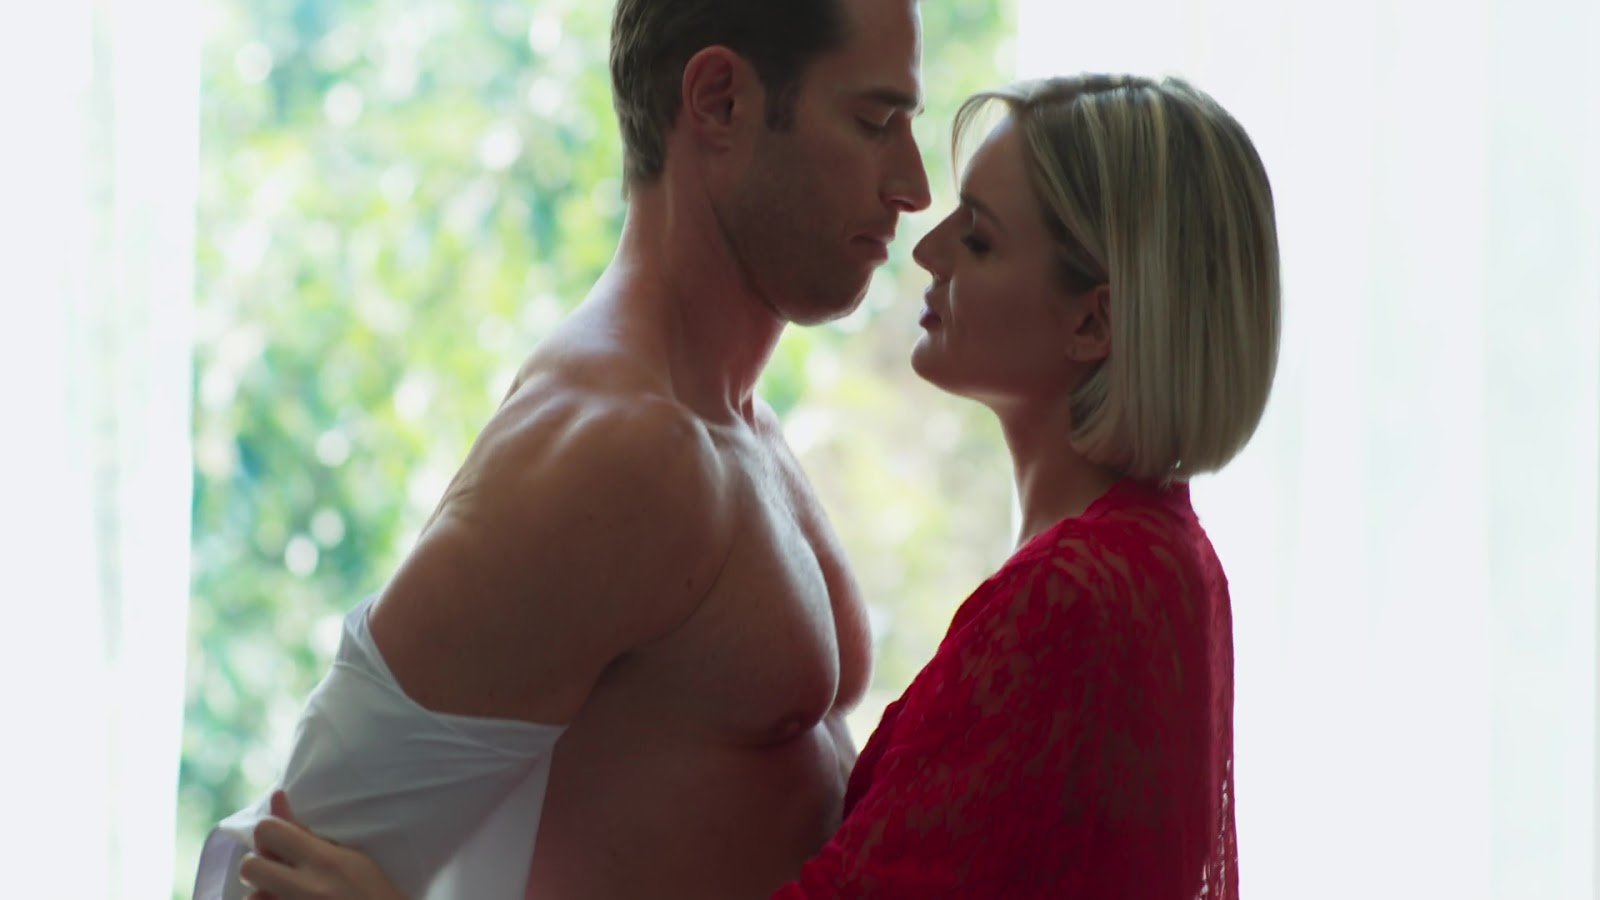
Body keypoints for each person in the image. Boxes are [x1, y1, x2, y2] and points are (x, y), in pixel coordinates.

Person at [239, 73, 1280, 898]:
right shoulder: (1161, 563)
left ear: (1093, 321)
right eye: (874, 120)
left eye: (977, 237)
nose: (923, 237)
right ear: (718, 101)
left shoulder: (1080, 597)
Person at [193, 0, 931, 898]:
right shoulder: (617, 450)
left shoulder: (737, 424)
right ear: (721, 100)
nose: (914, 186)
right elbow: (267, 870)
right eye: (874, 123)